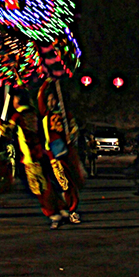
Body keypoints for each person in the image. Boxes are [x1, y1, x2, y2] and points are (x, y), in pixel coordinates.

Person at [0, 86, 65, 229]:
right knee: (47, 184)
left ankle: (53, 213)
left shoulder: (17, 116)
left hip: (30, 157)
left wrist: (1, 128)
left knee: (39, 188)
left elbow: (7, 134)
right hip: (40, 153)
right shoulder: (33, 112)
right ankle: (61, 208)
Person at [38, 78, 84, 223]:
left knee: (69, 183)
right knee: (58, 183)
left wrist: (72, 135)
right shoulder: (46, 114)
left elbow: (75, 130)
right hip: (52, 154)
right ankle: (61, 209)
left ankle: (72, 209)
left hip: (65, 152)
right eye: (49, 100)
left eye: (53, 99)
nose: (51, 102)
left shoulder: (65, 115)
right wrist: (46, 82)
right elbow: (40, 95)